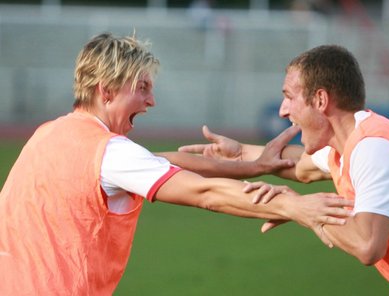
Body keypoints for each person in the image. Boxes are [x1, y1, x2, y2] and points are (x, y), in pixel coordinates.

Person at [0, 33, 354, 295]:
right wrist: (295, 206)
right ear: (106, 91)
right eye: (141, 88)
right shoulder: (110, 153)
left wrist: (254, 165)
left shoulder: (50, 135)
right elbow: (206, 193)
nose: (151, 100)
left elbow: (163, 162)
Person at [179, 45, 389, 295]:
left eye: (289, 96)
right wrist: (241, 153)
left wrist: (301, 210)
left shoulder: (373, 148)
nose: (282, 110)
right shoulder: (348, 146)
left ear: (320, 100)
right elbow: (300, 167)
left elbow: (368, 245)